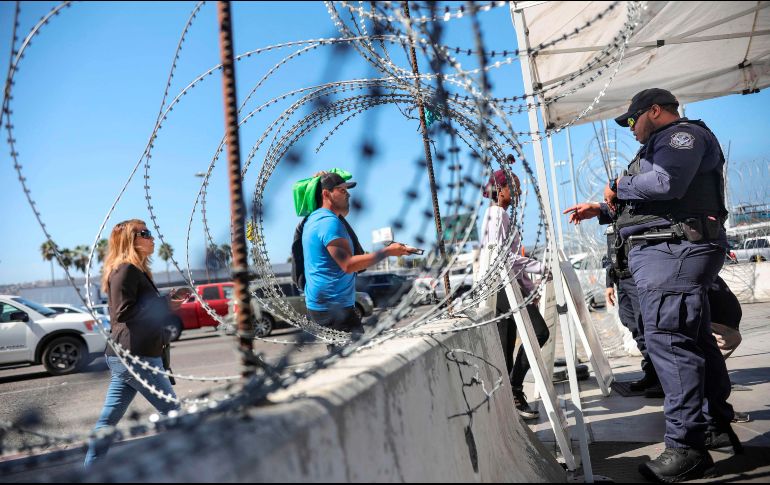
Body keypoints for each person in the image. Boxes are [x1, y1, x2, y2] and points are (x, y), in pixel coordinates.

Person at [565, 88, 735, 482]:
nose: (630, 130)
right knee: (691, 339)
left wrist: (617, 186)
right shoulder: (659, 145)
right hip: (669, 250)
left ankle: (685, 447)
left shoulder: (681, 137)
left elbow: (666, 184)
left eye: (632, 121)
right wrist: (605, 209)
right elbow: (656, 201)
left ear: (654, 111)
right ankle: (714, 424)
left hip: (675, 251)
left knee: (671, 343)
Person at [84, 220, 186, 467]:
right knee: (173, 413)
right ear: (130, 239)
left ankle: (91, 471)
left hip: (132, 354)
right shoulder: (125, 270)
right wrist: (163, 304)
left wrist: (166, 301)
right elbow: (123, 313)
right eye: (145, 233)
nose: (152, 237)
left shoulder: (135, 270)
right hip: (134, 356)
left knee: (108, 422)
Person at [301, 171, 410, 334]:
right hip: (334, 307)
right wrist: (388, 252)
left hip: (325, 304)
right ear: (326, 194)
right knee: (357, 355)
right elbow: (348, 264)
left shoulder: (315, 219)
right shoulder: (328, 223)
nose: (348, 195)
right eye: (342, 190)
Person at [479, 169, 549, 420]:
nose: (518, 191)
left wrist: (529, 290)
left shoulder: (501, 215)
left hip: (508, 286)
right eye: (514, 186)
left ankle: (512, 396)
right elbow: (503, 258)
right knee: (538, 333)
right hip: (501, 287)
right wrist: (540, 268)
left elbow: (510, 262)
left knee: (509, 345)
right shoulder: (496, 216)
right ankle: (514, 391)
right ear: (500, 190)